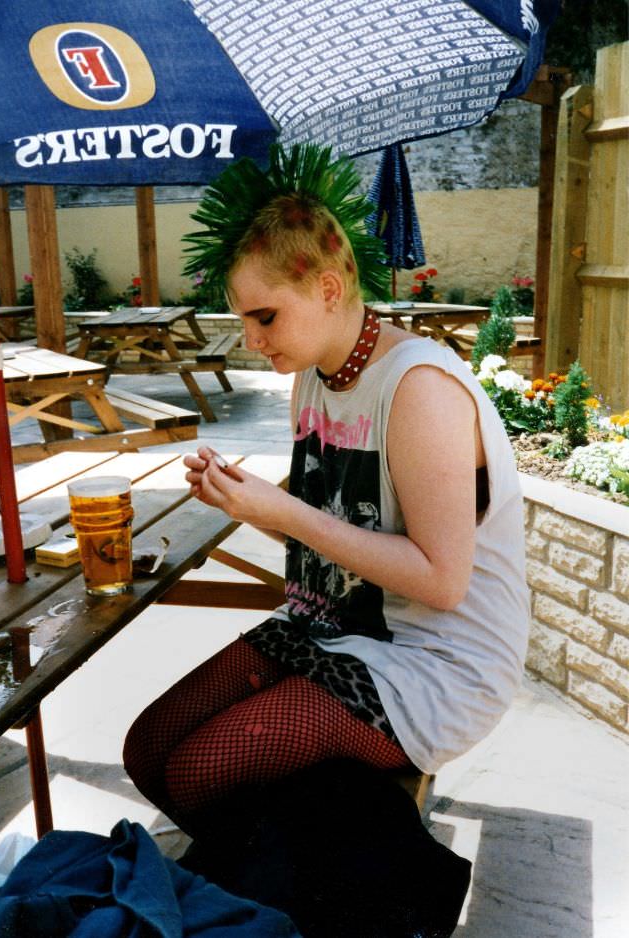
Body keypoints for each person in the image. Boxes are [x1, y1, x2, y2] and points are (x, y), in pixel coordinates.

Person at [123, 144, 530, 831]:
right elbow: (331, 520)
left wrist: (284, 511)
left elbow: (441, 582)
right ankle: (274, 868)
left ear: (330, 290)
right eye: (244, 320)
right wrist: (245, 499)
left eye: (265, 317)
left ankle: (306, 888)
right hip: (332, 625)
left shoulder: (418, 390)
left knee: (200, 775)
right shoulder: (314, 375)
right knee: (148, 750)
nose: (251, 341)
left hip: (434, 666)